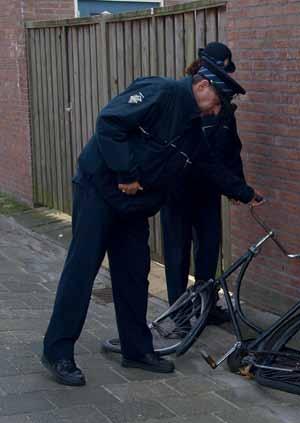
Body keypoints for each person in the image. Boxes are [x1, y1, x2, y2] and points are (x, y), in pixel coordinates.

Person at [41, 56, 261, 387]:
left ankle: (136, 350)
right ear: (202, 86)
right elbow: (110, 123)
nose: (217, 111)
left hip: (134, 207)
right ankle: (57, 351)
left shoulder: (191, 129)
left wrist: (245, 193)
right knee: (82, 271)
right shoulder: (160, 92)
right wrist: (126, 173)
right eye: (217, 101)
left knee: (133, 276)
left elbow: (210, 165)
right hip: (99, 192)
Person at [160, 43, 255, 327]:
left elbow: (231, 149)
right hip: (178, 189)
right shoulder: (185, 103)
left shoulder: (223, 109)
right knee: (177, 253)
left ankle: (207, 305)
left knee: (209, 250)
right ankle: (179, 314)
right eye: (223, 70)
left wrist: (237, 185)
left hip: (209, 190)